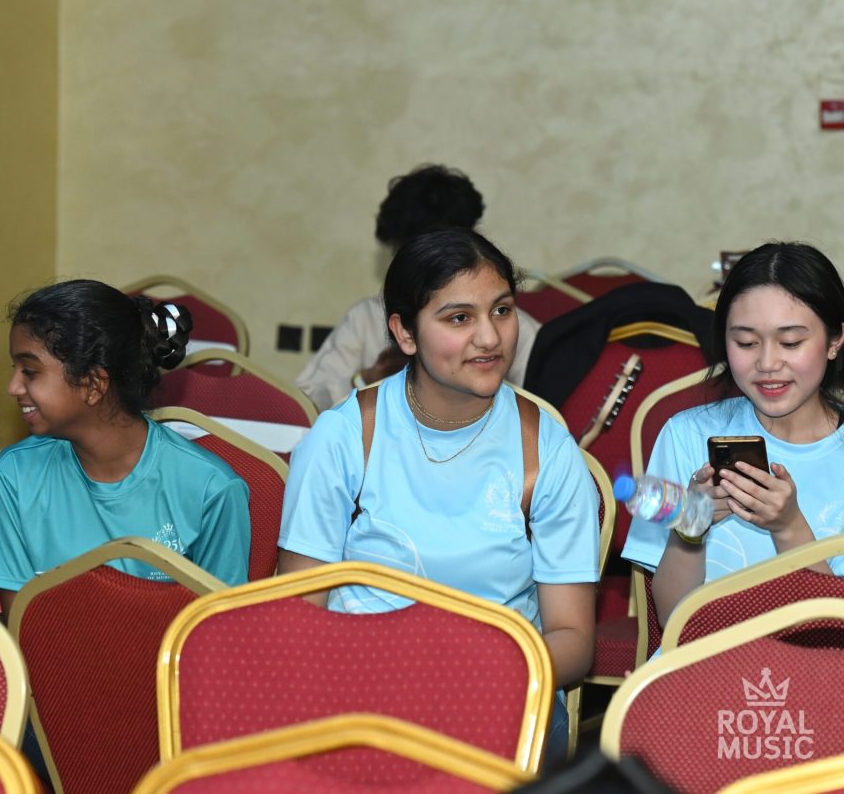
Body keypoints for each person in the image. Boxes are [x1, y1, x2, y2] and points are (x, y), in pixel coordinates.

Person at [278, 228, 599, 757]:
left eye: (502, 311)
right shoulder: (343, 437)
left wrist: (475, 683)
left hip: (500, 697)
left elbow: (572, 638)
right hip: (360, 696)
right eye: (459, 318)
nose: (490, 338)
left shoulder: (545, 449)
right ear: (404, 333)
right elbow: (298, 616)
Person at [0, 280, 251, 613]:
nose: (13, 387)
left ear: (93, 384)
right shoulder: (15, 475)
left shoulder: (210, 489)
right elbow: (24, 624)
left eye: (31, 371)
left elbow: (220, 627)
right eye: (16, 369)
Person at [622, 242, 844, 627]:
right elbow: (673, 621)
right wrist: (691, 528)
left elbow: (831, 634)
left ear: (835, 340)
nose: (767, 363)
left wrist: (789, 527)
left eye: (791, 342)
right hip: (702, 657)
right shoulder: (685, 435)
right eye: (745, 342)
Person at [295, 164, 541, 410]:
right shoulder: (367, 318)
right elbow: (307, 402)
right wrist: (367, 380)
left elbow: (544, 409)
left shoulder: (517, 330)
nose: (488, 338)